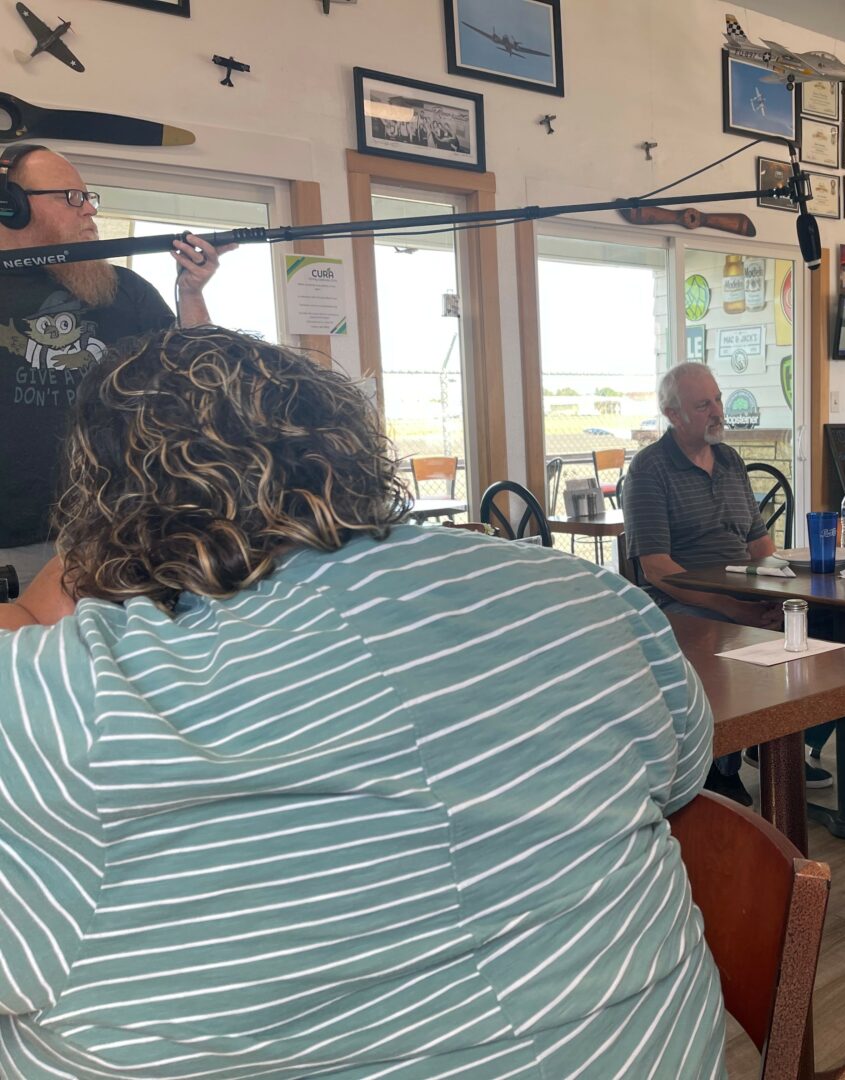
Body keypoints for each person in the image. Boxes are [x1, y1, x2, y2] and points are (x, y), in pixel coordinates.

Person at [0, 328, 726, 1077]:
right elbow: (683, 772)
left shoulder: (70, 702)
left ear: (103, 512)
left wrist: (58, 585)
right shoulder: (586, 595)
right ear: (348, 442)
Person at [624, 361, 845, 800]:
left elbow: (759, 544)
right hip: (682, 604)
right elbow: (657, 569)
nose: (717, 411)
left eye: (718, 399)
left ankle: (779, 739)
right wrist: (735, 608)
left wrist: (781, 594)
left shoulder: (728, 459)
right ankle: (719, 766)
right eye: (703, 405)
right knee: (732, 639)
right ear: (672, 415)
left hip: (743, 591)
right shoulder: (650, 469)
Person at [0, 144, 231, 589]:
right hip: (11, 547)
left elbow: (199, 378)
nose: (89, 210)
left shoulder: (125, 289)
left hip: (115, 534)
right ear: (11, 206)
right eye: (72, 197)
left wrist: (192, 293)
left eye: (89, 197)